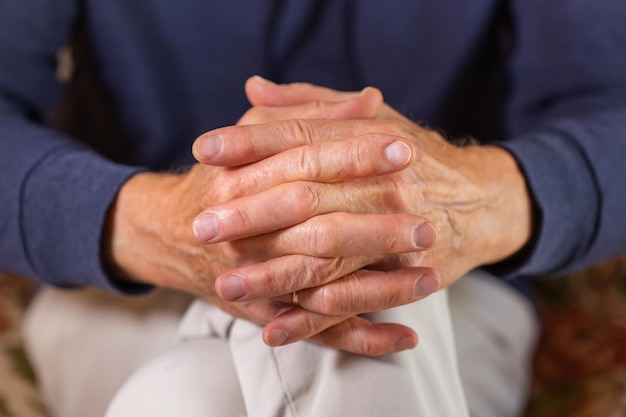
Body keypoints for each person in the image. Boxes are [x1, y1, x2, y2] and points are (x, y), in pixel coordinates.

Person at [0, 1, 624, 416]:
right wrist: (163, 223)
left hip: (449, 291)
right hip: (123, 289)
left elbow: (610, 109)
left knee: (182, 398)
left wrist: (460, 202)